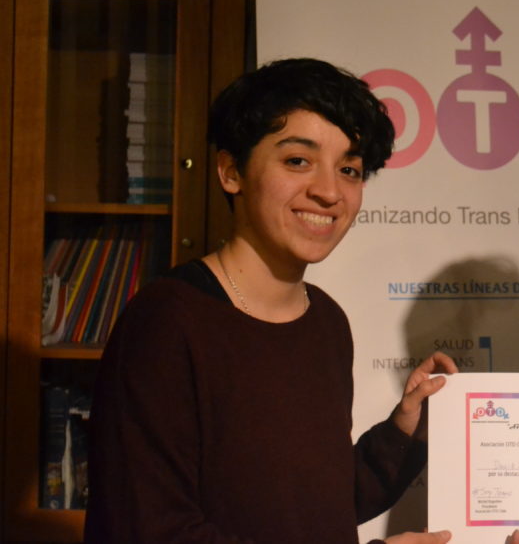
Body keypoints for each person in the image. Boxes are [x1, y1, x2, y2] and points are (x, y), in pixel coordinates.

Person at [86, 58, 457, 544]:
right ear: (231, 171)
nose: (328, 192)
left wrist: (404, 431)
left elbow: (317, 509)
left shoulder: (325, 320)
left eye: (349, 169)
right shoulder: (166, 323)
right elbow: (153, 529)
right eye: (297, 161)